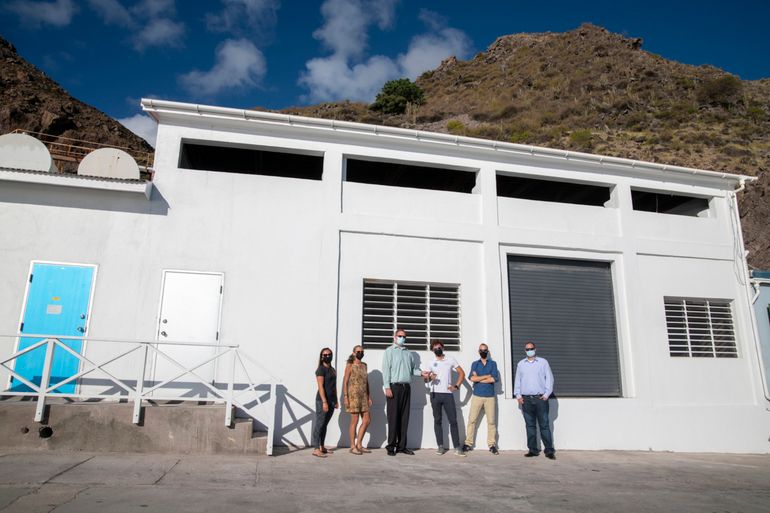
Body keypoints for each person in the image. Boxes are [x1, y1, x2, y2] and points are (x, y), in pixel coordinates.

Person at [382, 328, 429, 456]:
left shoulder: (409, 353)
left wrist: (422, 373)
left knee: (404, 418)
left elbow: (413, 370)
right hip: (394, 388)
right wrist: (387, 387)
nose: (402, 338)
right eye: (400, 336)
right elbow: (386, 370)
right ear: (395, 337)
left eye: (404, 336)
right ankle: (391, 446)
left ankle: (402, 446)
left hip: (406, 388)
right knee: (393, 418)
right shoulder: (389, 351)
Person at [513, 341, 555, 460]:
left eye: (531, 348)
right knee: (530, 426)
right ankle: (533, 449)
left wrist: (546, 395)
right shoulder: (521, 364)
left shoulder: (543, 362)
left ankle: (549, 450)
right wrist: (518, 396)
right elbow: (518, 381)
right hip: (526, 400)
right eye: (527, 349)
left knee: (544, 425)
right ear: (524, 350)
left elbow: (549, 379)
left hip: (540, 399)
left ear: (535, 349)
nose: (529, 350)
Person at [425, 339, 466, 456]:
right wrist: (429, 377)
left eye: (439, 347)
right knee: (437, 421)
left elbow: (462, 373)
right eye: (435, 348)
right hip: (434, 394)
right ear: (432, 350)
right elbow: (425, 378)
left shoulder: (450, 360)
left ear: (443, 347)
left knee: (453, 421)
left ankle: (457, 447)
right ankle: (440, 446)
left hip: (448, 394)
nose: (437, 349)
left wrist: (456, 386)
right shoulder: (430, 362)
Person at [462, 342, 500, 455]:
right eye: (481, 350)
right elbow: (472, 378)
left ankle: (492, 445)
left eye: (485, 350)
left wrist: (479, 378)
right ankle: (468, 443)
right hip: (477, 396)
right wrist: (486, 376)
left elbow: (494, 379)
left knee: (492, 422)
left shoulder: (493, 364)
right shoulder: (475, 364)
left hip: (490, 397)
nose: (483, 352)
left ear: (487, 352)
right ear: (479, 352)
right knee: (472, 420)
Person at [342, 345, 372, 455]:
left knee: (367, 420)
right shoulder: (350, 365)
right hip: (353, 396)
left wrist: (369, 396)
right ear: (354, 353)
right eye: (358, 351)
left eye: (362, 352)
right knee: (354, 420)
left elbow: (366, 381)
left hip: (363, 396)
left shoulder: (364, 365)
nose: (361, 353)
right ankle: (352, 445)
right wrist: (345, 396)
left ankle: (359, 444)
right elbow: (345, 382)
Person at [312, 347, 338, 458]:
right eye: (325, 355)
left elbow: (334, 387)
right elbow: (321, 387)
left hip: (332, 401)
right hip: (322, 401)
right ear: (322, 357)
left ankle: (322, 446)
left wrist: (336, 400)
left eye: (329, 354)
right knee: (319, 424)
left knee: (324, 424)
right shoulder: (320, 370)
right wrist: (324, 402)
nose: (328, 356)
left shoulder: (332, 370)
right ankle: (316, 449)